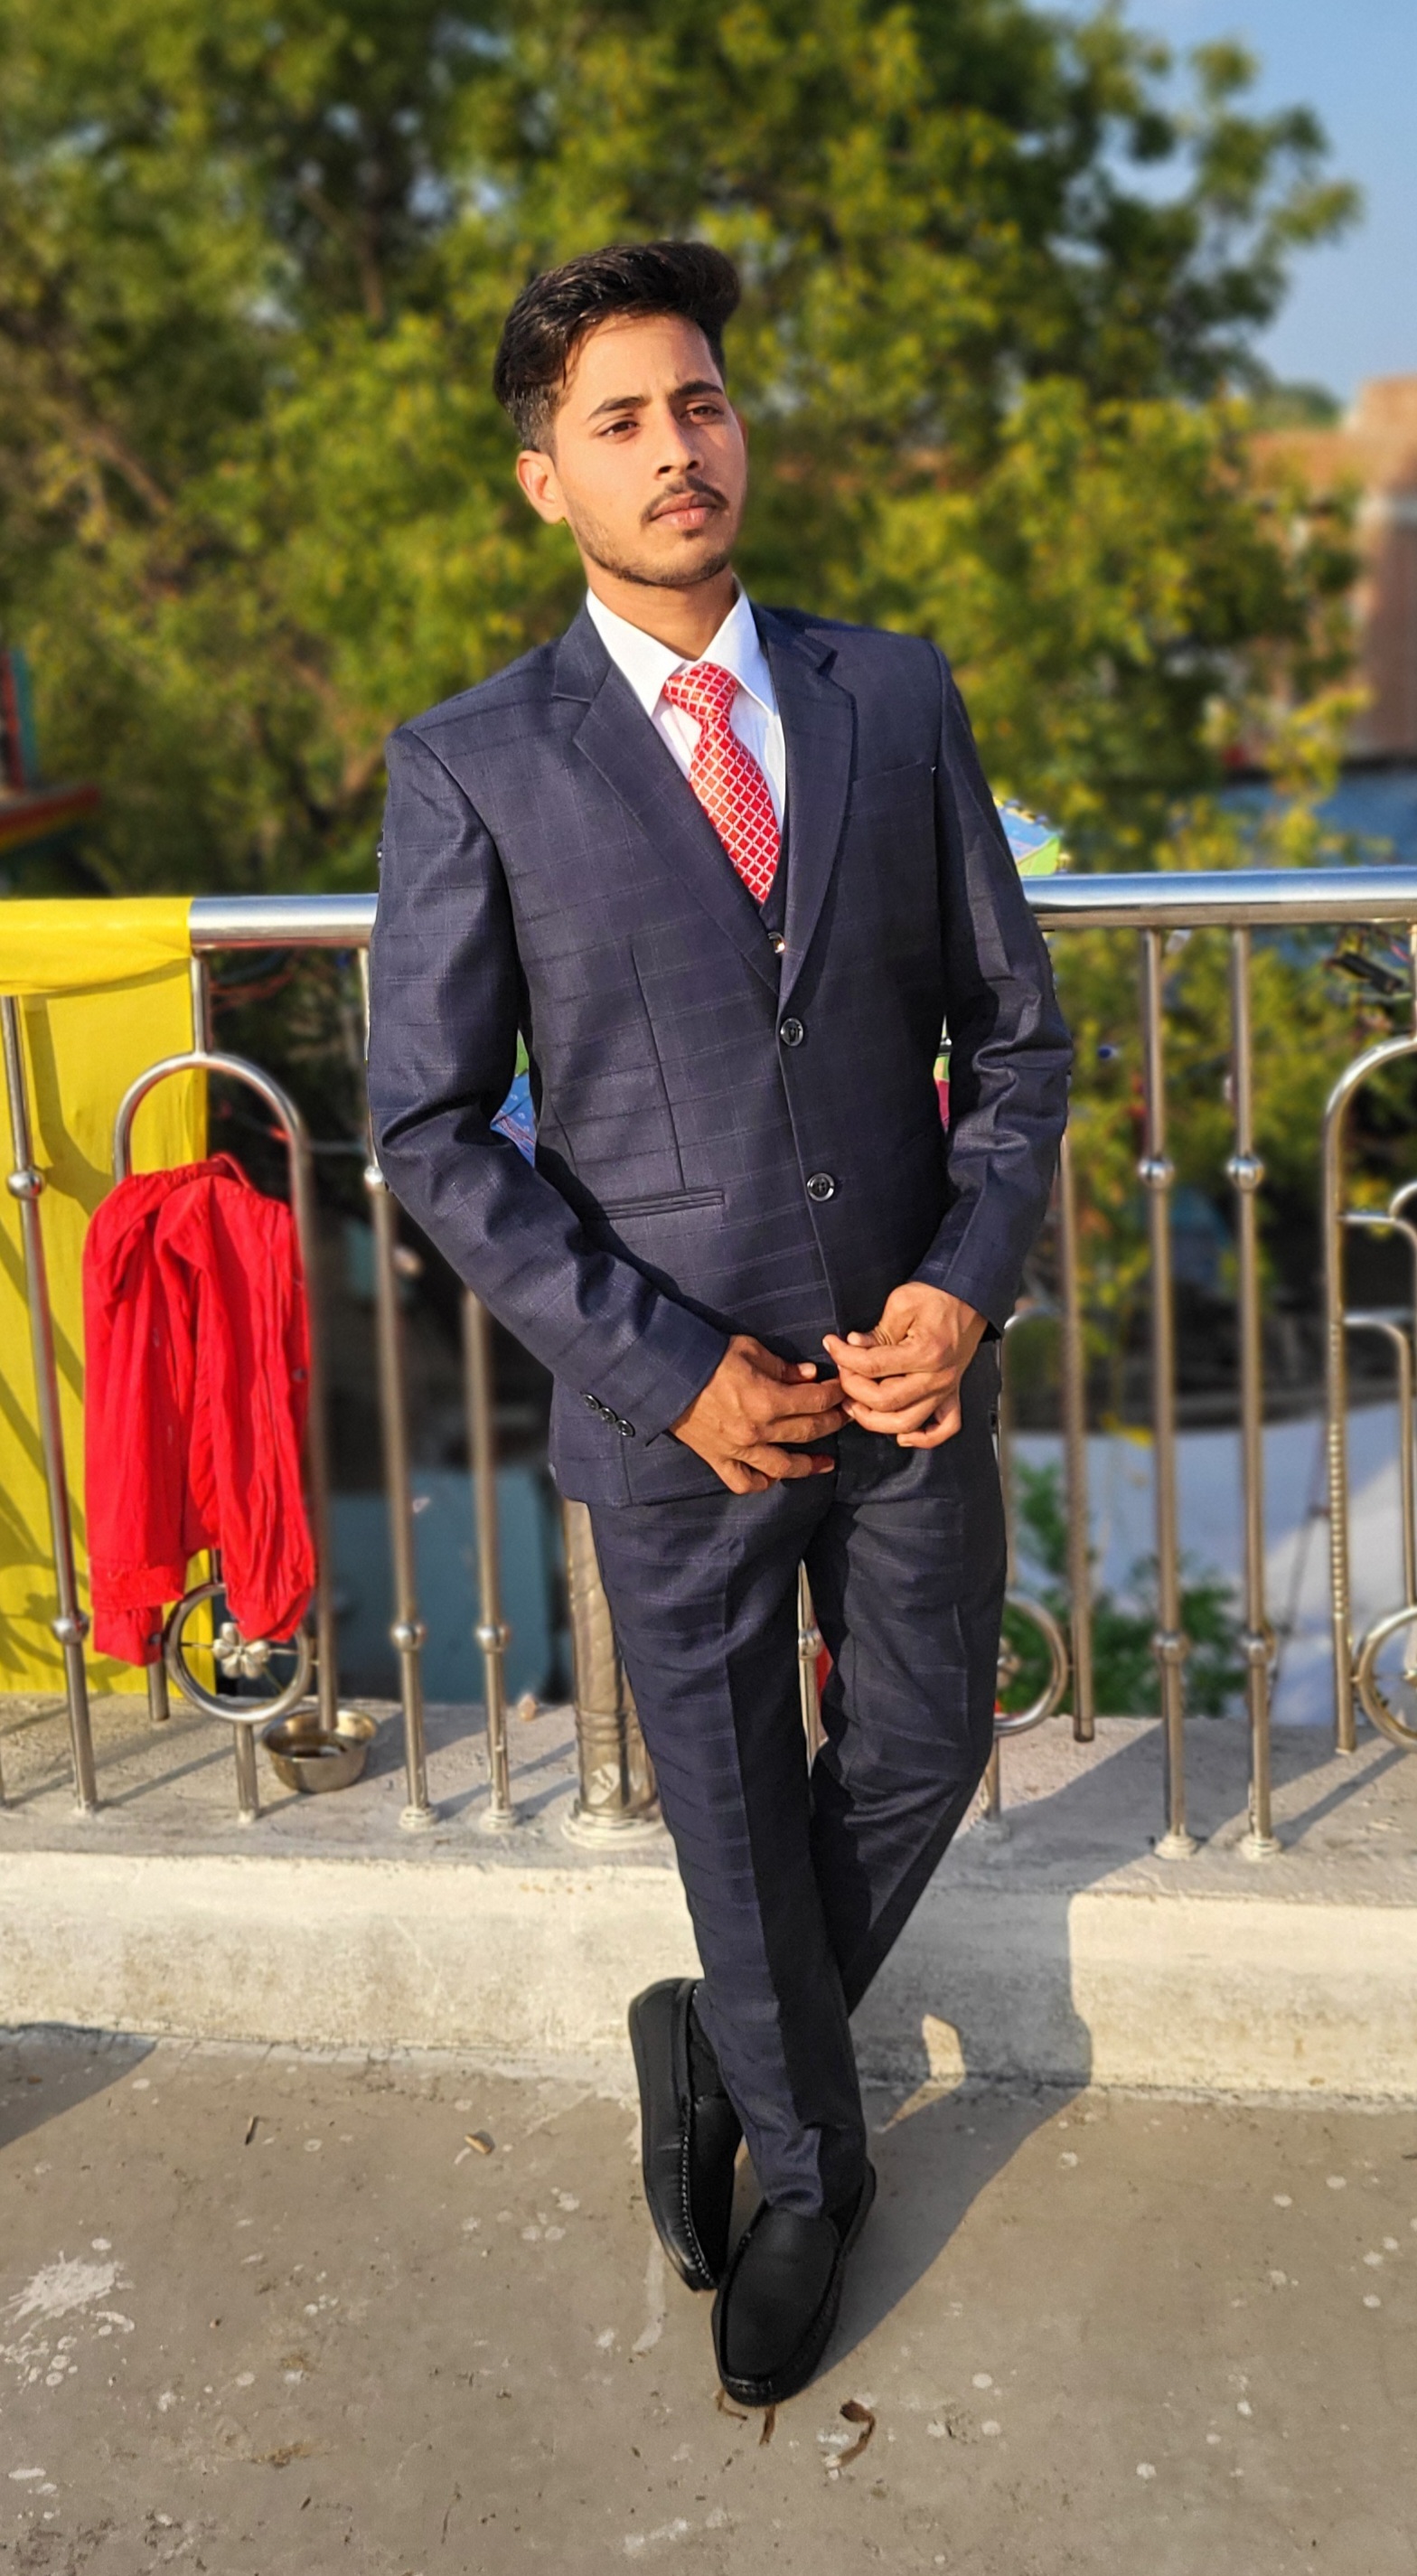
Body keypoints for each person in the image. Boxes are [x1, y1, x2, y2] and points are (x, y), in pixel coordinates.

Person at [368, 240, 1071, 2407]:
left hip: (904, 1378)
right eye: (620, 421)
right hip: (667, 1410)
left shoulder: (892, 697)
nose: (677, 448)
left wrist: (962, 1286)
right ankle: (807, 2176)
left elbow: (1015, 1043)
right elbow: (430, 1126)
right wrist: (668, 1369)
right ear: (544, 483)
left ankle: (723, 2041)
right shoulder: (472, 762)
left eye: (700, 402)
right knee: (730, 1803)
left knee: (925, 1744)